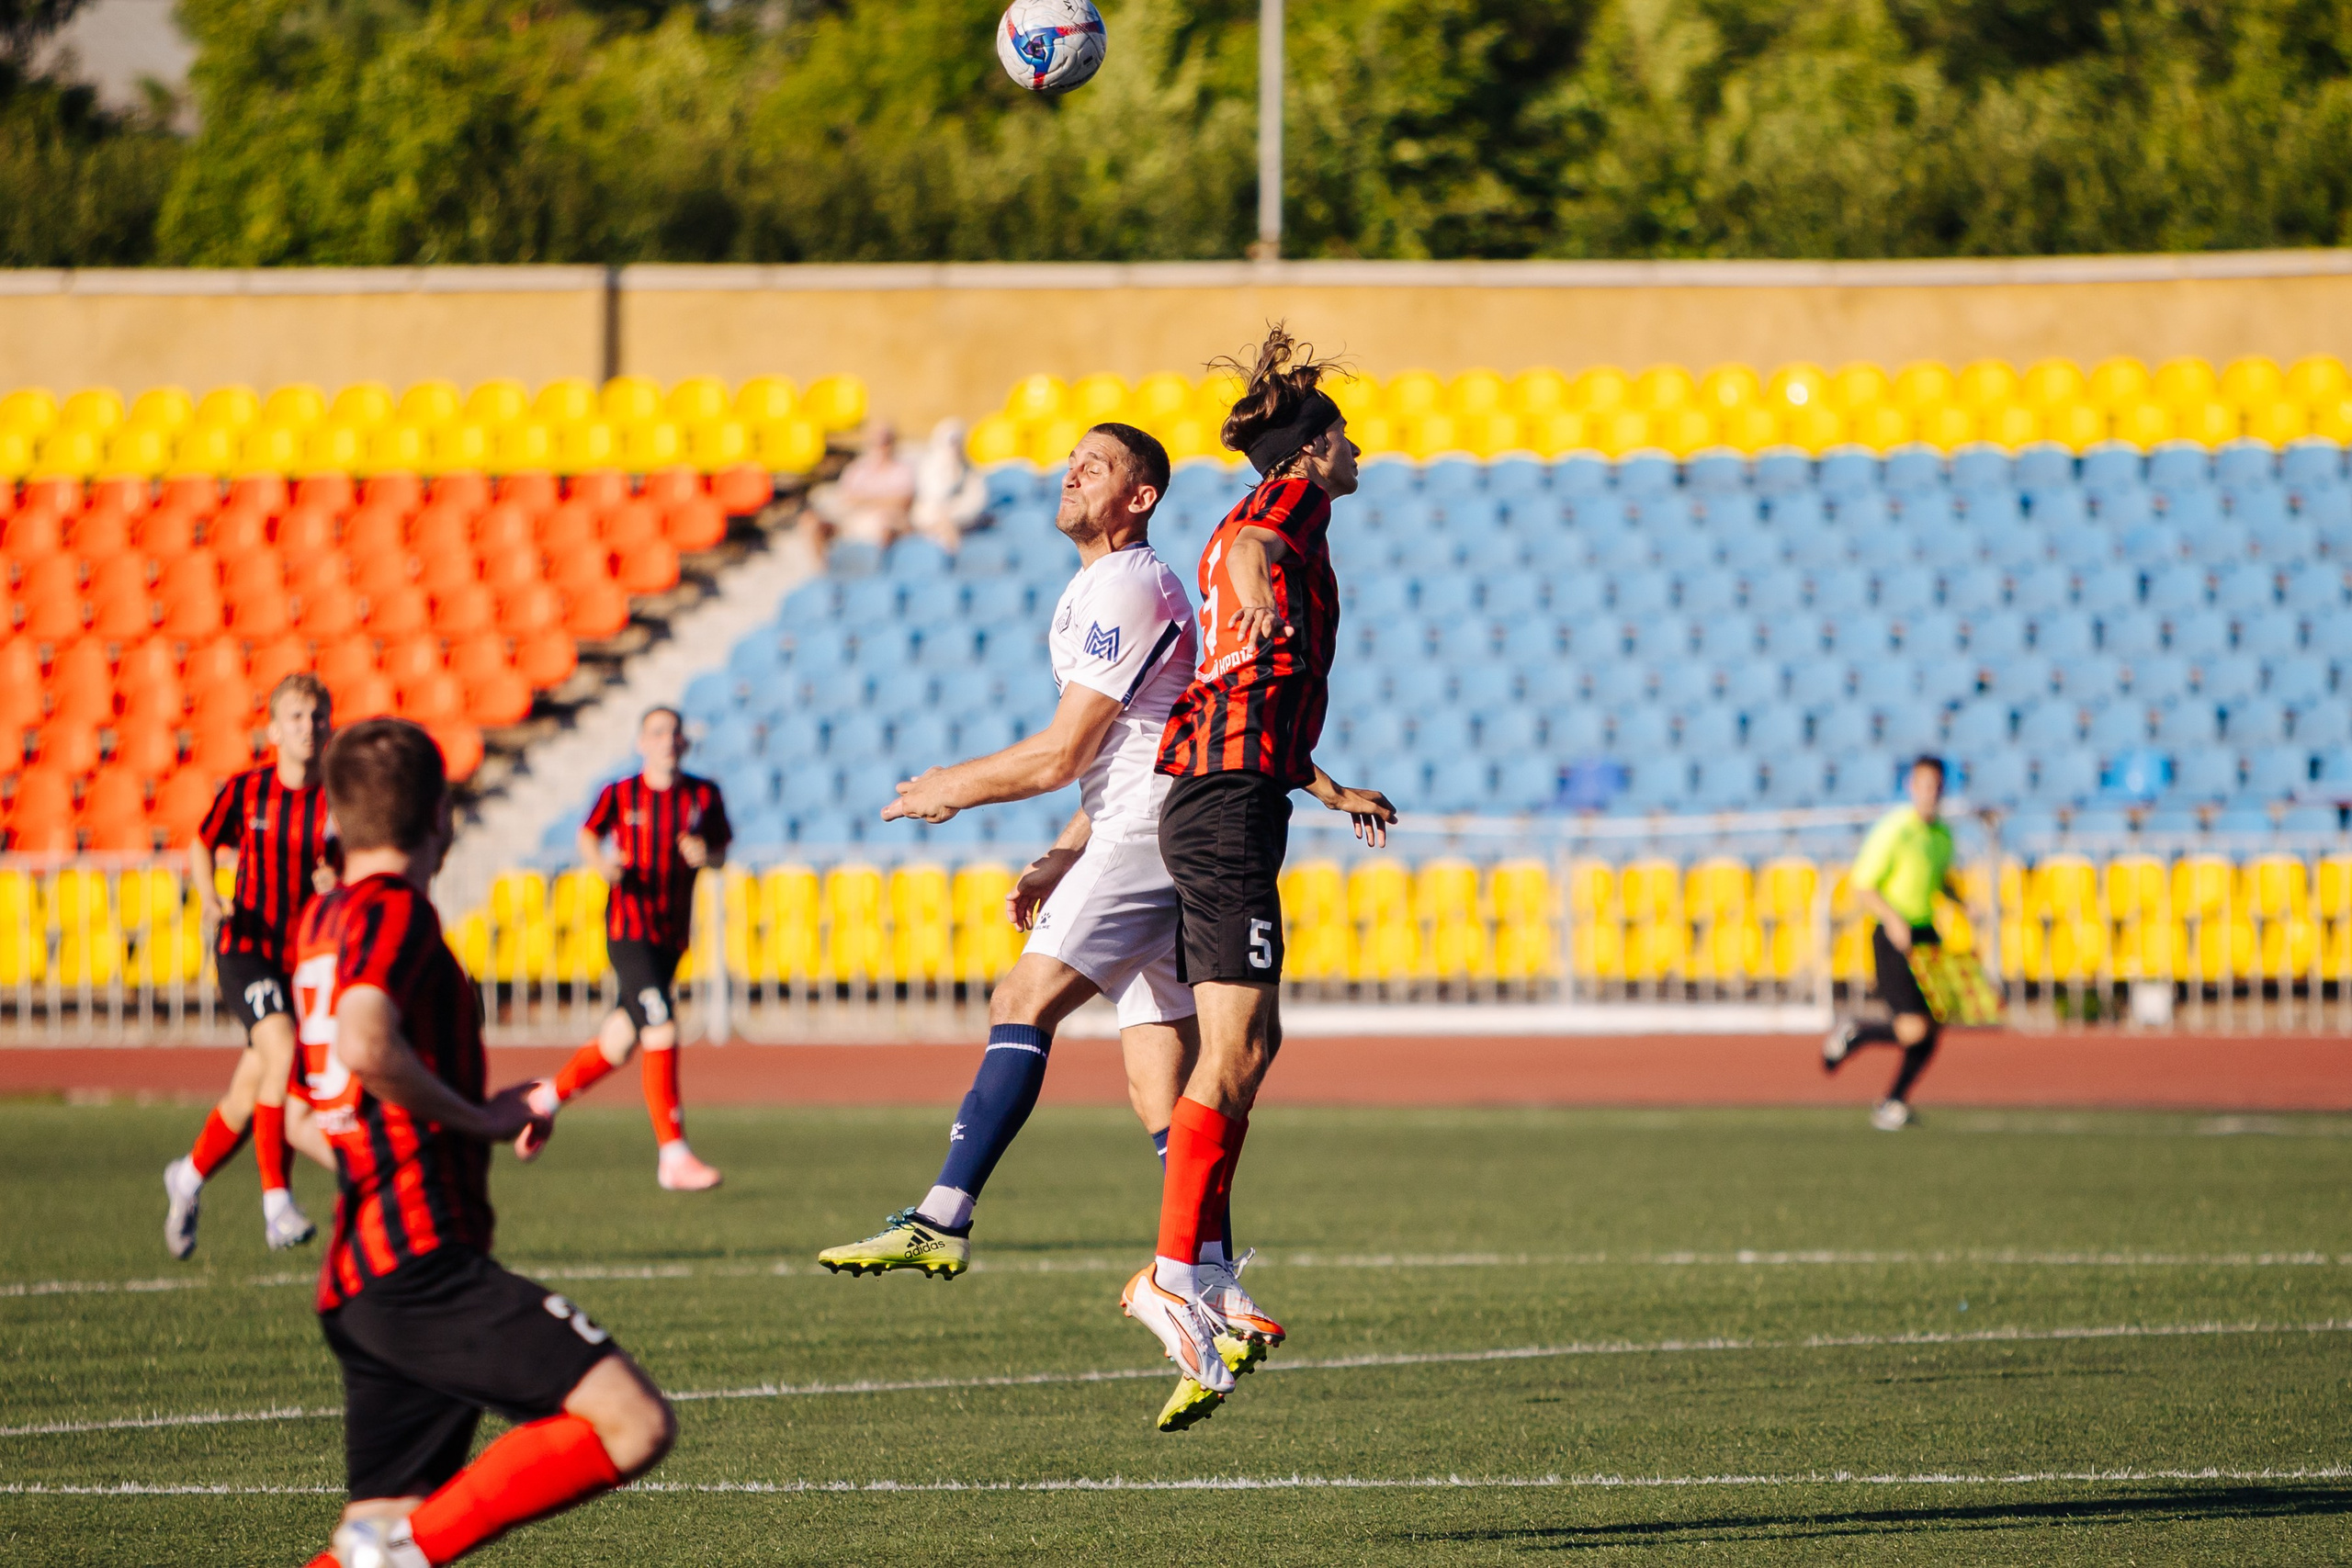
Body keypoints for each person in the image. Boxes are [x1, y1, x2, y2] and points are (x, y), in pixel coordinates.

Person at [818, 426, 1273, 1417]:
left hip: (1150, 827)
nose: (1071, 473)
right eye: (1070, 460)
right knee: (1160, 1073)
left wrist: (950, 786)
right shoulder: (1107, 589)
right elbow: (1129, 742)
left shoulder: (1124, 585)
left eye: (1097, 465)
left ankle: (943, 1213)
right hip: (1150, 819)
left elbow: (1065, 751)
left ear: (1142, 497)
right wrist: (1068, 849)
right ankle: (1214, 1284)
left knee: (1023, 994)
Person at [289, 718, 673, 1568]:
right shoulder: (392, 913)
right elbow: (362, 1043)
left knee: (367, 1536)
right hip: (418, 1261)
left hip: (365, 1272)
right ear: (443, 818)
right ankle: (401, 1553)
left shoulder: (319, 923)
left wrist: (455, 1114)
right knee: (632, 1418)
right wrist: (479, 1121)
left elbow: (301, 1108)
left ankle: (389, 1552)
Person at [1137, 325, 1397, 1431]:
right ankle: (1174, 1273)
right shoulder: (1290, 510)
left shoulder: (1291, 521)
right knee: (1239, 1045)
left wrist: (1328, 789)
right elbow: (1250, 544)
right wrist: (1256, 594)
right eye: (1343, 439)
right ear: (1311, 451)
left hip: (1235, 789)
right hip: (1224, 800)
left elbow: (1263, 690)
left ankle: (1199, 1267)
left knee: (1246, 1043)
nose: (1355, 455)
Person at [164, 673, 339, 1258]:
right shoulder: (247, 791)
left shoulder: (339, 802)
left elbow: (357, 872)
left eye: (317, 718)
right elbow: (201, 842)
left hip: (303, 961)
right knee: (282, 1047)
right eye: (296, 718)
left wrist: (338, 885)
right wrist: (211, 899)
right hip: (245, 947)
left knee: (251, 1088)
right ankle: (276, 1205)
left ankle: (186, 1178)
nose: (308, 729)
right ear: (273, 730)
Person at [524, 707, 730, 1190]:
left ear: (684, 743)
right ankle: (673, 1154)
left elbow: (721, 851)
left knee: (620, 1039)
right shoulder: (620, 793)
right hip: (628, 929)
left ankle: (544, 1100)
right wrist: (602, 864)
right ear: (642, 742)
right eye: (658, 732)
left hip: (671, 935)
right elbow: (587, 833)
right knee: (660, 1025)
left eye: (675, 732)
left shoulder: (704, 795)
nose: (667, 741)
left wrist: (707, 854)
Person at [1823, 754, 1962, 1130]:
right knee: (1912, 1026)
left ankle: (1893, 1102)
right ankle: (1857, 1033)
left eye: (1937, 786)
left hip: (1925, 933)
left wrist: (1963, 902)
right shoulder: (1895, 830)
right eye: (1924, 785)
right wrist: (1892, 917)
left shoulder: (1942, 834)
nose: (1931, 793)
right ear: (1911, 787)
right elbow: (1863, 884)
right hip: (1893, 934)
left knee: (1933, 1025)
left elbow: (1939, 879)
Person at [806, 420, 916, 553]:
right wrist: (877, 500)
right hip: (854, 518)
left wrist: (864, 500)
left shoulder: (902, 469)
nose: (880, 446)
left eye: (885, 441)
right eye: (875, 441)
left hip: (885, 522)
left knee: (883, 526)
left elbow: (902, 502)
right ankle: (824, 570)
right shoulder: (857, 469)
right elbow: (845, 498)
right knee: (812, 522)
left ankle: (875, 569)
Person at [910, 417, 990, 551]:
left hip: (960, 522)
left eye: (957, 442)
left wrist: (953, 515)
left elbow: (976, 502)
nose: (954, 447)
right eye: (951, 442)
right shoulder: (928, 467)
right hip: (931, 518)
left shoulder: (970, 471)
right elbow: (932, 495)